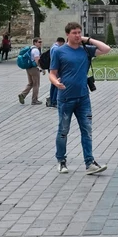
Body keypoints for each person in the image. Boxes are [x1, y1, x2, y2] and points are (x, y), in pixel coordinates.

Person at [49, 23, 110, 175]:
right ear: (67, 34)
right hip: (65, 98)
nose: (77, 35)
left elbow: (106, 49)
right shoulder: (59, 52)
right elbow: (52, 73)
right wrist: (56, 82)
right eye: (74, 33)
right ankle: (61, 160)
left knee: (87, 130)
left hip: (83, 97)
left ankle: (89, 162)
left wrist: (87, 39)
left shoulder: (85, 50)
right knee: (63, 130)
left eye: (79, 32)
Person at [18, 37, 42, 105]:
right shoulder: (36, 50)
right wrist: (41, 68)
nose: (40, 43)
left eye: (41, 42)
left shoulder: (30, 49)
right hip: (34, 68)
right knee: (36, 84)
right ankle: (34, 100)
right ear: (35, 43)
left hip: (28, 68)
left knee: (30, 83)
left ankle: (23, 95)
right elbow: (37, 61)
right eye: (39, 42)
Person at [44, 37, 66, 108]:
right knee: (57, 84)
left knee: (53, 85)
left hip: (52, 67)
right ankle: (54, 101)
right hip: (55, 68)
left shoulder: (53, 46)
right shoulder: (56, 49)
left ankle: (52, 100)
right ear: (61, 42)